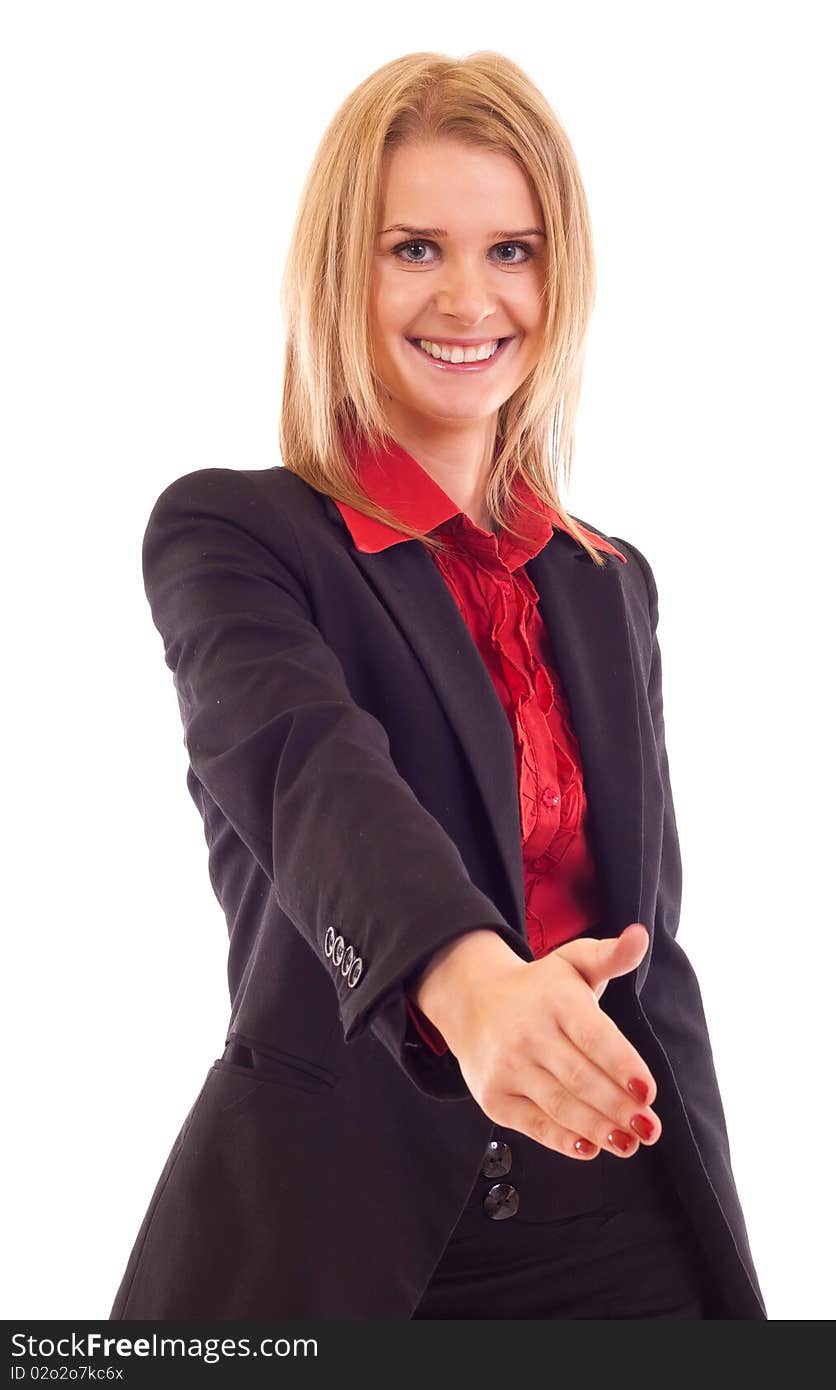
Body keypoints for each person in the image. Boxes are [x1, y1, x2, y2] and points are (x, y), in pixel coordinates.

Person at [108, 50, 767, 1320]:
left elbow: (648, 944)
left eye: (511, 250)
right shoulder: (236, 535)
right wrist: (472, 990)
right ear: (339, 268)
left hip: (626, 1220)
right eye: (415, 247)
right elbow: (310, 773)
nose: (469, 297)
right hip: (343, 1232)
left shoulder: (603, 579)